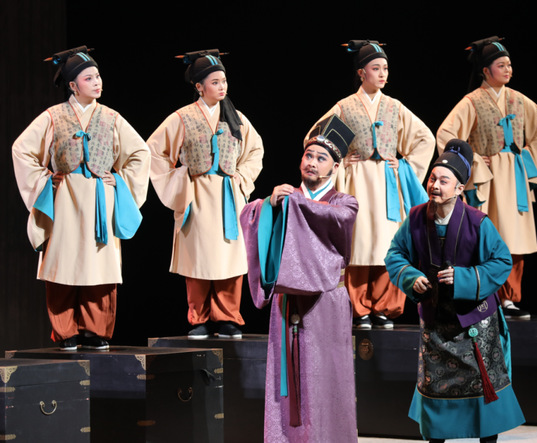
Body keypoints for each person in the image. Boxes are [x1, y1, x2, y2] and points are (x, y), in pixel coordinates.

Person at [11, 46, 151, 351]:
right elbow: (21, 149)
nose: (97, 82)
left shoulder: (111, 118)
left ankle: (95, 330)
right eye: (89, 78)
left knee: (99, 263)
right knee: (63, 261)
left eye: (98, 76)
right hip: (66, 197)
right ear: (73, 85)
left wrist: (120, 181)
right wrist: (45, 179)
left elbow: (140, 152)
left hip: (100, 196)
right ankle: (66, 331)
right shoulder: (53, 116)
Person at [385, 139, 525, 443]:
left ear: (460, 188)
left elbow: (502, 261)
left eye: (443, 181)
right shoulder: (416, 218)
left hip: (474, 321)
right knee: (436, 386)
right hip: (435, 322)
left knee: (482, 387)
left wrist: (465, 278)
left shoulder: (477, 222)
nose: (435, 185)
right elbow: (395, 255)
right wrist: (411, 277)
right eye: (432, 178)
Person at [240, 115, 359, 442]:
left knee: (327, 374)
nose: (312, 163)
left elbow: (335, 218)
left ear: (335, 167)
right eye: (308, 155)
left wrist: (295, 203)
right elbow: (250, 215)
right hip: (288, 298)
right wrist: (268, 205)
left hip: (326, 302)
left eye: (321, 158)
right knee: (288, 372)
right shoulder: (286, 196)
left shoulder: (344, 202)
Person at [307, 39, 435, 330]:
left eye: (385, 68)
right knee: (359, 243)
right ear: (361, 72)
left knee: (388, 243)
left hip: (387, 182)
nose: (382, 74)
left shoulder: (394, 106)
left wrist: (405, 165)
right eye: (376, 68)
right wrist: (339, 160)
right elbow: (315, 138)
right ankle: (358, 308)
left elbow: (424, 138)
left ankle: (384, 307)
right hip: (358, 181)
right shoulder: (345, 106)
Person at [147, 49, 264, 339]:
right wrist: (179, 178)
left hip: (228, 195)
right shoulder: (182, 117)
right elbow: (154, 151)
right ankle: (198, 317)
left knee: (229, 256)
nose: (222, 87)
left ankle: (228, 317)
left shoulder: (236, 118)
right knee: (197, 257)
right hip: (197, 194)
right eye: (215, 82)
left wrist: (242, 178)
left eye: (224, 81)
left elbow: (255, 150)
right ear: (199, 86)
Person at [436, 36, 537, 320]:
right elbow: (446, 134)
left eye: (509, 64)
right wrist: (473, 160)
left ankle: (510, 298)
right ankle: (485, 296)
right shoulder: (472, 101)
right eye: (501, 65)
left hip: (514, 178)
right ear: (486, 70)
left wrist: (526, 158)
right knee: (487, 238)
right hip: (488, 180)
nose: (508, 69)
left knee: (515, 239)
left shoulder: (519, 100)